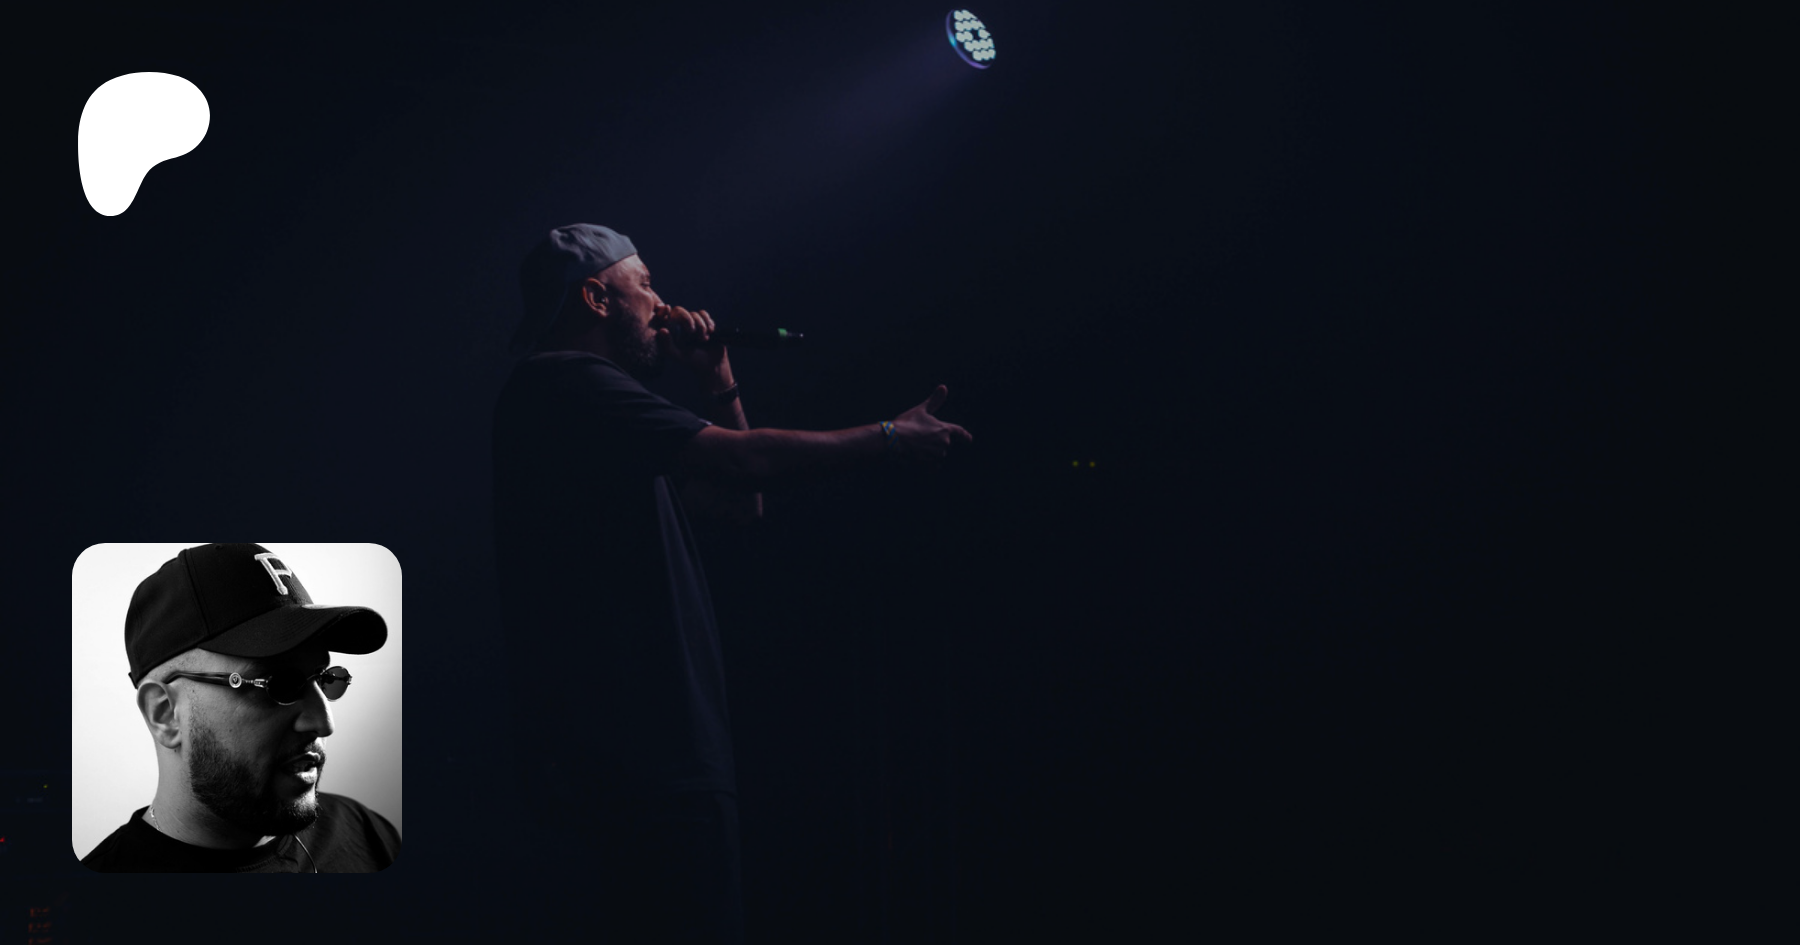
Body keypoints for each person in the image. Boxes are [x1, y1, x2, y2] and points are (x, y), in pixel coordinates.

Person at [493, 223, 972, 942]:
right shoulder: (567, 383)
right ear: (595, 297)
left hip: (644, 755)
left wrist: (716, 376)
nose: (662, 303)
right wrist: (890, 437)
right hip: (641, 757)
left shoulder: (591, 414)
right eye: (644, 283)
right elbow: (746, 462)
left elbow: (739, 506)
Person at [79, 543, 401, 873]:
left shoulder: (366, 833)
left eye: (324, 678)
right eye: (279, 685)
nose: (323, 723)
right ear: (165, 714)